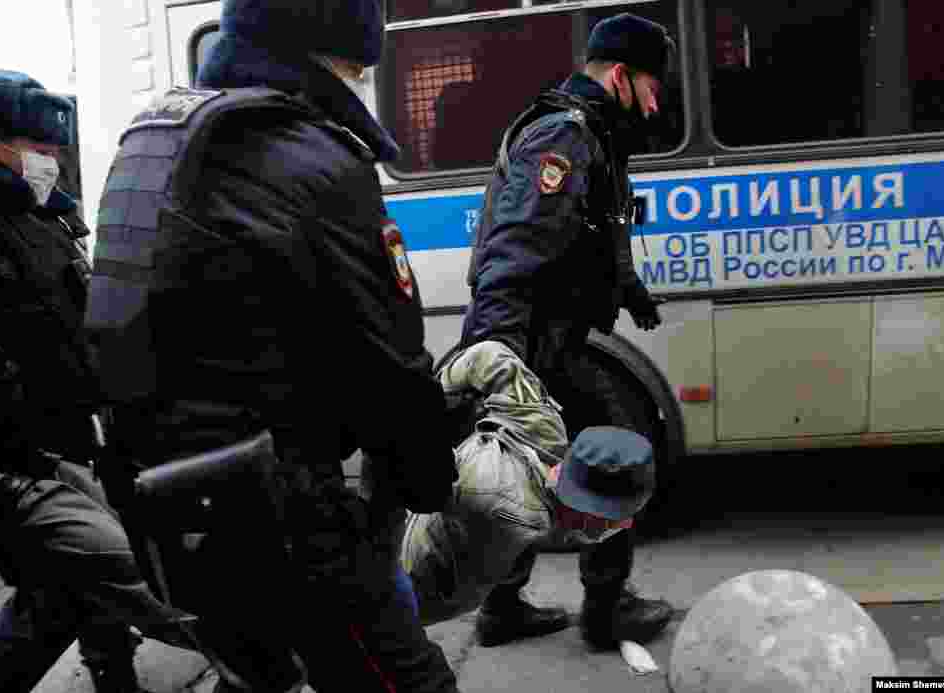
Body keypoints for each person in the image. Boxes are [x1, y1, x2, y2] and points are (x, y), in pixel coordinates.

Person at [84, 0, 461, 691]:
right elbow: (390, 366)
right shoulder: (316, 159)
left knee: (258, 675)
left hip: (164, 508)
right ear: (320, 56)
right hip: (282, 521)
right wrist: (427, 480)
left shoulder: (155, 135)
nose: (361, 83)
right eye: (356, 66)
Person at [457, 12, 677, 649]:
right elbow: (517, 247)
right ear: (619, 75)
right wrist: (497, 361)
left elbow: (593, 227)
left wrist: (628, 290)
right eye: (651, 85)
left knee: (529, 470)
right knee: (617, 450)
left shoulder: (596, 132)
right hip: (530, 342)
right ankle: (607, 613)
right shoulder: (565, 133)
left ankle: (500, 606)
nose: (657, 100)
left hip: (546, 338)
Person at [0, 69, 190, 693]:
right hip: (18, 462)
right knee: (118, 573)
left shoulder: (46, 217)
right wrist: (34, 454)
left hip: (71, 441)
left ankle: (114, 674)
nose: (49, 162)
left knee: (63, 594)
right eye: (38, 150)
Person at [402, 341, 655, 634]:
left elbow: (489, 357)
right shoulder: (510, 516)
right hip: (396, 591)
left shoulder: (543, 426)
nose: (623, 524)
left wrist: (433, 400)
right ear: (585, 512)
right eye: (616, 518)